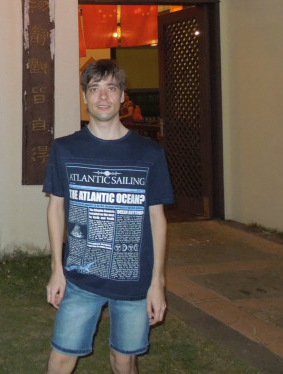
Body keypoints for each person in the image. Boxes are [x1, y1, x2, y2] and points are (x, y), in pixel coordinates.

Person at [42, 59, 173, 374]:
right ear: (84, 96)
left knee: (123, 360)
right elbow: (56, 208)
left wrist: (157, 283)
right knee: (60, 359)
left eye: (111, 88)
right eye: (94, 89)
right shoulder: (65, 149)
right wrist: (57, 270)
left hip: (134, 283)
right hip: (80, 278)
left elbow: (157, 219)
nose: (103, 96)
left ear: (122, 96)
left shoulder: (149, 153)